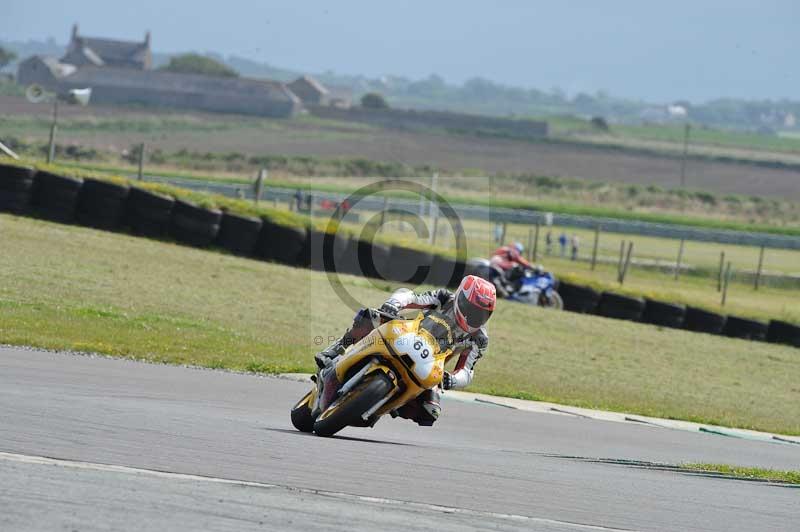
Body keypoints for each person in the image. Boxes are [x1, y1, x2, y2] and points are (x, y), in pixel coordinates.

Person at [314, 275, 496, 426]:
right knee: (370, 317)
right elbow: (411, 297)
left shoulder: (479, 339)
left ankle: (389, 405)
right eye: (471, 309)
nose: (474, 316)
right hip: (406, 334)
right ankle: (336, 348)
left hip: (430, 366)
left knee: (430, 412)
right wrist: (394, 303)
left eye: (481, 314)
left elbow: (467, 371)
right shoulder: (443, 298)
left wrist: (452, 380)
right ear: (461, 297)